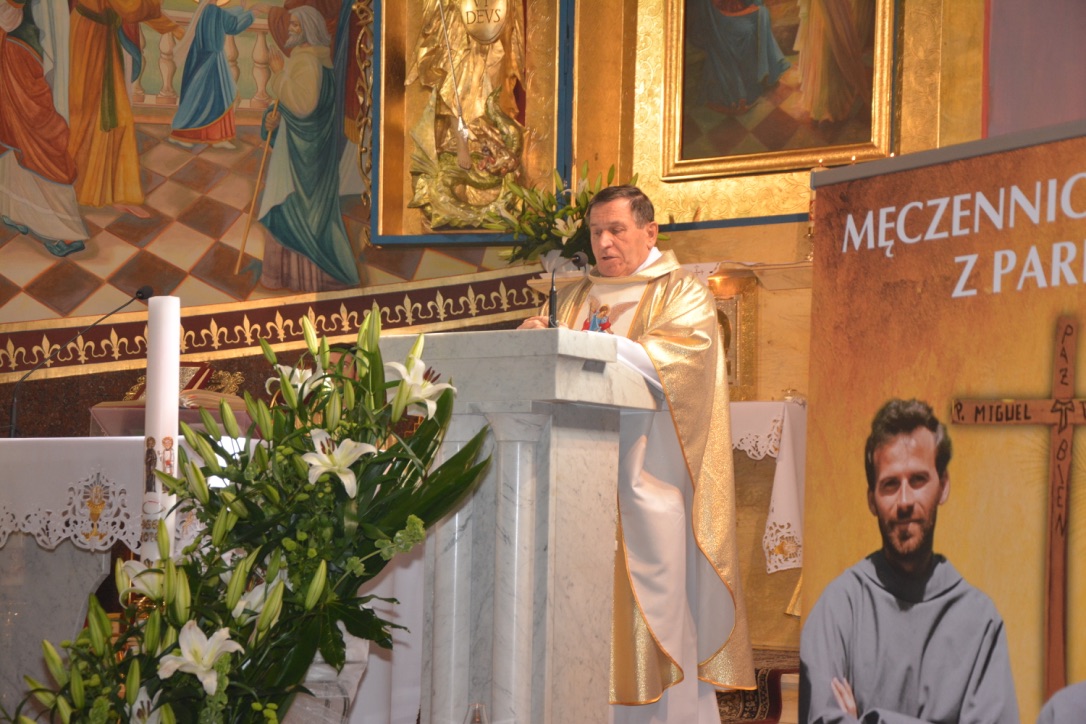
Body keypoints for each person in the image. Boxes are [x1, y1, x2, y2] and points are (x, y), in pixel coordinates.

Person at [519, 185, 755, 722]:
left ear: (650, 232)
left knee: (656, 616)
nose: (603, 243)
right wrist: (535, 335)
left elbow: (671, 365)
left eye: (616, 230)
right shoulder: (574, 297)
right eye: (595, 232)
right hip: (573, 483)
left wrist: (581, 345)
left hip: (649, 481)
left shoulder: (682, 293)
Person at [799, 398, 1019, 724]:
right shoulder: (838, 610)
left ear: (943, 486)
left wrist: (870, 720)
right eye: (890, 484)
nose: (904, 501)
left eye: (918, 480)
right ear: (871, 499)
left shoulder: (981, 622)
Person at [257, 4, 359, 291]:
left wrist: (278, 74)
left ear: (309, 31)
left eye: (296, 26)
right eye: (291, 24)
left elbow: (303, 107)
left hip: (302, 157)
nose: (290, 29)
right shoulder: (320, 60)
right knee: (310, 216)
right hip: (310, 151)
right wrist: (275, 119)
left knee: (292, 210)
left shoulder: (307, 62)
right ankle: (307, 276)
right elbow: (303, 110)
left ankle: (290, 276)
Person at [67, 0, 181, 216]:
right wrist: (170, 25)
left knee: (112, 118)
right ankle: (83, 187)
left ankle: (113, 192)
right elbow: (131, 7)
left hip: (99, 36)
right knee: (87, 116)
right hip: (89, 41)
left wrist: (171, 26)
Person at [0, 0, 90, 256]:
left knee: (38, 136)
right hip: (21, 47)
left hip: (22, 50)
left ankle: (65, 230)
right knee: (15, 130)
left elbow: (9, 15)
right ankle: (15, 209)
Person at [169, 0, 258, 149]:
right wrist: (253, 13)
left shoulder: (207, 10)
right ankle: (186, 135)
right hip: (210, 63)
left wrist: (241, 8)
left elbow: (225, 16)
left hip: (204, 59)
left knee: (206, 100)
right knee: (210, 99)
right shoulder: (212, 10)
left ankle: (216, 136)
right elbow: (232, 26)